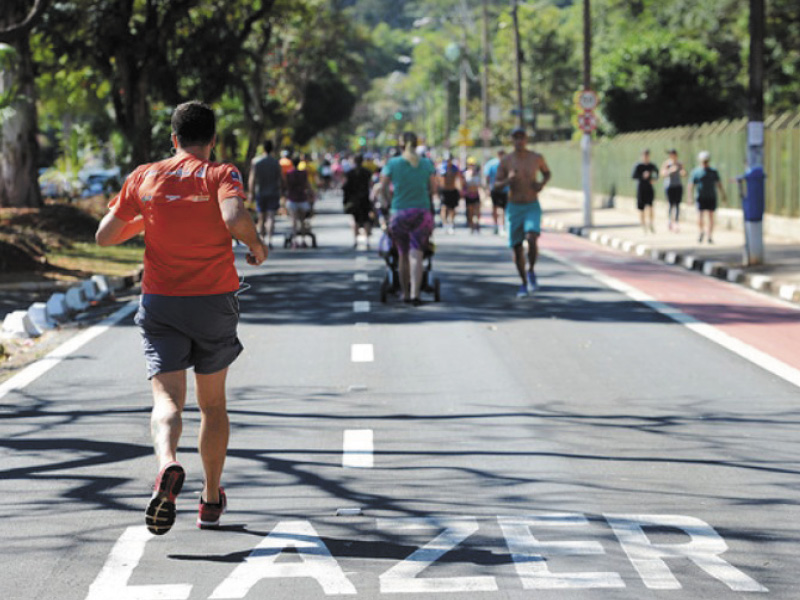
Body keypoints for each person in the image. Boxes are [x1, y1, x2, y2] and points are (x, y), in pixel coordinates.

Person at [95, 101, 268, 535]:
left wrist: (150, 219)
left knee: (168, 401)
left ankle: (168, 463)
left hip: (161, 303)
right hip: (212, 301)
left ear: (172, 139)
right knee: (212, 405)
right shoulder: (219, 174)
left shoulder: (144, 176)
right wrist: (257, 244)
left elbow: (105, 236)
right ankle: (210, 499)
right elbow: (233, 216)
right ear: (212, 141)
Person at [376, 131, 436, 306]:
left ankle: (405, 294)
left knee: (402, 255)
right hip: (422, 212)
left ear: (400, 145)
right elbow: (433, 190)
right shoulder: (426, 164)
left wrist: (388, 201)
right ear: (417, 145)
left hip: (399, 213)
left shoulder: (393, 163)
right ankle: (416, 293)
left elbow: (382, 187)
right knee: (417, 254)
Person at [494, 127, 551, 298]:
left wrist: (541, 184)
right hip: (514, 206)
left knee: (532, 237)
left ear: (526, 139)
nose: (519, 141)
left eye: (522, 137)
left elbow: (547, 173)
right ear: (512, 140)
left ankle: (531, 270)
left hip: (532, 204)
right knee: (517, 247)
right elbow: (496, 184)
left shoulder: (536, 158)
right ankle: (523, 282)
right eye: (516, 138)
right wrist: (507, 181)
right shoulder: (506, 160)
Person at [248, 140, 284, 248]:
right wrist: (282, 191)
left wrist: (251, 193)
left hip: (260, 193)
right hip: (273, 192)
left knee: (261, 217)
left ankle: (262, 240)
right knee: (271, 217)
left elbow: (252, 179)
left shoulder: (256, 162)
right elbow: (281, 179)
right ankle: (269, 240)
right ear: (272, 149)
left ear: (263, 148)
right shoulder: (275, 162)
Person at [688, 150, 727, 244]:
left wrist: (723, 194)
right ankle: (701, 232)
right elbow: (691, 185)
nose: (705, 163)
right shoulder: (696, 172)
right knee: (700, 216)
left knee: (711, 217)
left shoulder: (713, 172)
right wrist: (690, 197)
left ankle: (709, 236)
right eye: (703, 161)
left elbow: (719, 184)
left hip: (711, 196)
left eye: (706, 161)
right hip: (700, 197)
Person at [342, 153, 375, 249]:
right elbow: (371, 185)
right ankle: (367, 241)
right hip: (364, 198)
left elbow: (345, 187)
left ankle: (356, 240)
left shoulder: (350, 173)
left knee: (355, 220)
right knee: (366, 219)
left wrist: (346, 199)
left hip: (354, 200)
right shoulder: (367, 172)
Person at [285, 155, 316, 247]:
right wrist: (312, 194)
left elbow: (286, 186)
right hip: (302, 199)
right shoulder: (303, 173)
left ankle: (294, 240)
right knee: (302, 220)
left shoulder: (289, 173)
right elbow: (307, 185)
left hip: (292, 199)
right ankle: (303, 240)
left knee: (293, 221)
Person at [632, 149, 658, 233]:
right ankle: (643, 225)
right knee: (641, 209)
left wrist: (654, 179)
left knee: (651, 207)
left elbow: (656, 174)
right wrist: (642, 175)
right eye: (644, 155)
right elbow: (634, 176)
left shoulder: (652, 166)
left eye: (647, 155)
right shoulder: (638, 166)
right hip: (641, 189)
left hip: (649, 189)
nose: (646, 157)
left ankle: (651, 223)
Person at [660, 149, 686, 232]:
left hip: (677, 185)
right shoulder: (667, 164)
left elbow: (684, 173)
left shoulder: (679, 164)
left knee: (678, 204)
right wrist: (670, 171)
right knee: (670, 204)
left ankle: (677, 222)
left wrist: (682, 172)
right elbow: (662, 174)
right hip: (669, 186)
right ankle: (670, 221)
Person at [484, 148, 508, 235]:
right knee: (495, 208)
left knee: (504, 209)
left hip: (505, 190)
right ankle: (496, 225)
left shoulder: (508, 163)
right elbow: (487, 177)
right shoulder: (491, 164)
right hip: (495, 189)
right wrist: (487, 188)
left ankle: (504, 226)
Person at [438, 152, 462, 234]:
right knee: (444, 208)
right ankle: (445, 224)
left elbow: (458, 178)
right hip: (444, 191)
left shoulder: (455, 168)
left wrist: (460, 189)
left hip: (452, 190)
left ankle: (451, 224)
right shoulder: (442, 168)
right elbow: (439, 179)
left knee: (452, 209)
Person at [463, 156, 482, 234]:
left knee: (477, 211)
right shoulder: (465, 174)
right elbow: (463, 185)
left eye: (473, 164)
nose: (472, 166)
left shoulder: (478, 174)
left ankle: (477, 224)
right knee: (470, 211)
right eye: (470, 164)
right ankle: (471, 226)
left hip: (476, 194)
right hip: (469, 195)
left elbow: (480, 186)